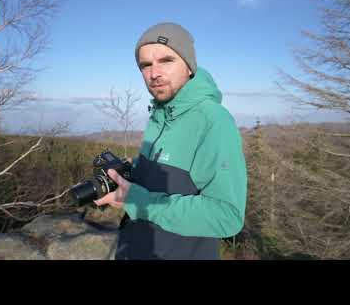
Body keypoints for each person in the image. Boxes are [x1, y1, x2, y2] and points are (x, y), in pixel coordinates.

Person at [95, 22, 247, 260]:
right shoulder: (160, 114)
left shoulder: (213, 120)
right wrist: (131, 176)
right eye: (146, 65)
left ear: (189, 66)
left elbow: (226, 216)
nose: (154, 73)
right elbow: (169, 183)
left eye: (166, 60)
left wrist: (137, 200)